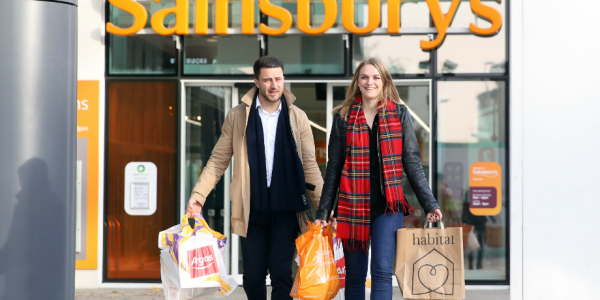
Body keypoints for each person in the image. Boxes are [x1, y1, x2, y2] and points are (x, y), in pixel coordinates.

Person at [186, 56, 323, 300]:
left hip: (286, 209)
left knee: (282, 274)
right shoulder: (238, 116)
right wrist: (198, 196)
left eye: (278, 79)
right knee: (252, 276)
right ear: (256, 82)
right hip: (251, 211)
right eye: (268, 79)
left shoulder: (297, 116)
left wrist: (323, 206)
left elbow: (309, 165)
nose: (274, 85)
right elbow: (218, 160)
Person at [314, 57, 442, 300]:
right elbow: (333, 167)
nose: (369, 82)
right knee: (354, 275)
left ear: (384, 82)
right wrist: (323, 213)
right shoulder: (343, 117)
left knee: (382, 272)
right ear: (357, 82)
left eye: (375, 77)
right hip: (351, 206)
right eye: (364, 77)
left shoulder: (400, 114)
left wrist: (430, 204)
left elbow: (412, 163)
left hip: (388, 206)